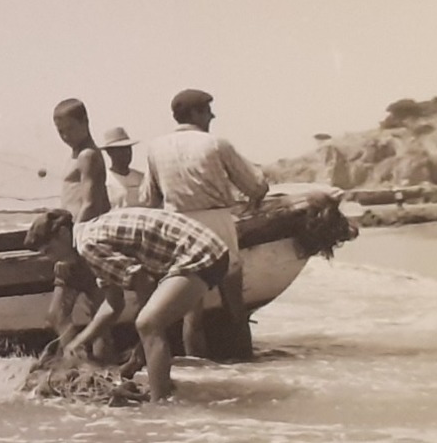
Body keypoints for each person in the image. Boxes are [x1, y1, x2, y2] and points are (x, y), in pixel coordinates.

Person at [25, 206, 230, 402]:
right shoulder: (90, 239)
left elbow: (145, 284)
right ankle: (162, 389)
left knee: (148, 324)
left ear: (62, 233)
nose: (51, 259)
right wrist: (79, 342)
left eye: (49, 250)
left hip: (199, 253)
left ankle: (160, 403)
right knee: (149, 324)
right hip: (202, 248)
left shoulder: (88, 245)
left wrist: (141, 348)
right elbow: (113, 305)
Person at [140, 88, 269, 359]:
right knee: (236, 307)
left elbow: (149, 199)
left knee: (192, 314)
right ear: (196, 113)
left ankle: (199, 373)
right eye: (208, 110)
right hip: (217, 225)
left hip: (181, 231)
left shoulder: (155, 148)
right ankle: (247, 365)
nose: (212, 115)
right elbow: (255, 187)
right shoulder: (215, 144)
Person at [52, 98, 111, 224]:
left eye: (71, 128)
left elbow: (90, 205)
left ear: (85, 122)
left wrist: (74, 238)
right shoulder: (75, 155)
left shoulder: (87, 156)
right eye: (61, 131)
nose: (66, 136)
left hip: (84, 230)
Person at [96, 126, 150, 209]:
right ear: (110, 152)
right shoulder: (104, 181)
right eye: (121, 150)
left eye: (129, 148)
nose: (127, 153)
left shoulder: (142, 178)